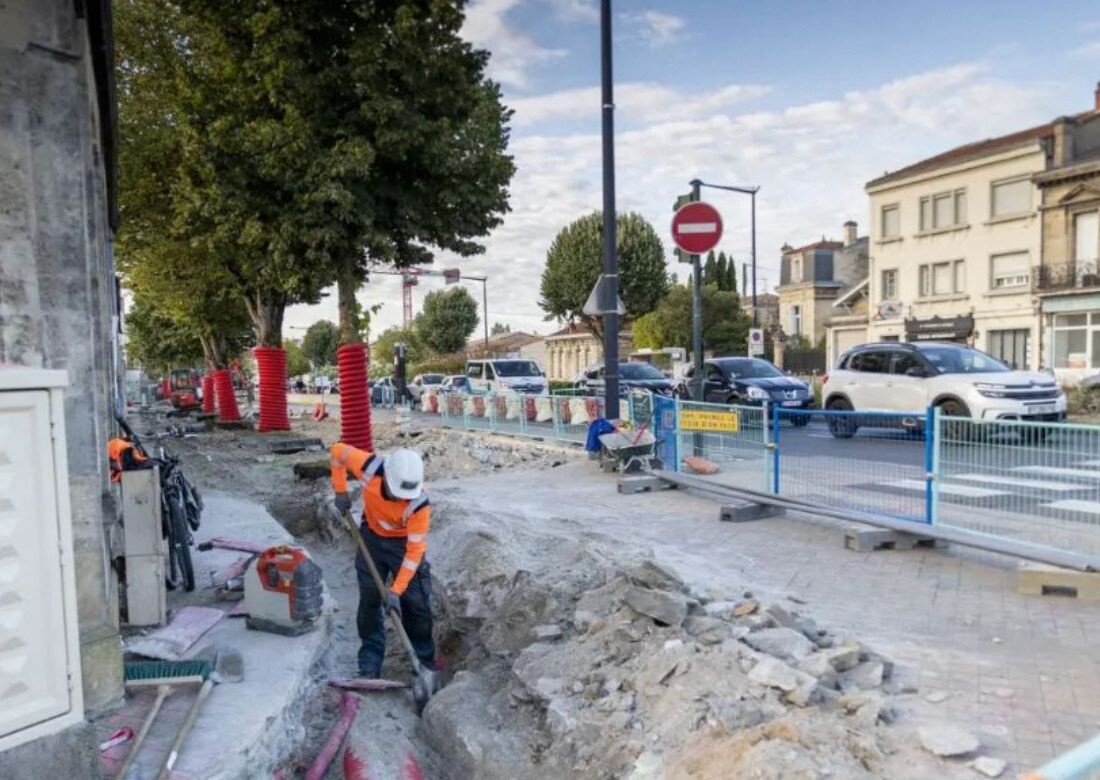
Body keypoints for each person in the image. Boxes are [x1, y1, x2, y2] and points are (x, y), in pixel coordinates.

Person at [330, 443, 435, 679]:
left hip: (403, 546)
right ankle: (370, 663)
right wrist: (340, 490)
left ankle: (424, 665)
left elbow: (414, 552)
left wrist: (396, 591)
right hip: (371, 537)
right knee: (370, 600)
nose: (402, 500)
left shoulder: (419, 503)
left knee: (416, 604)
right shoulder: (369, 467)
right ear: (387, 478)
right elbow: (337, 451)